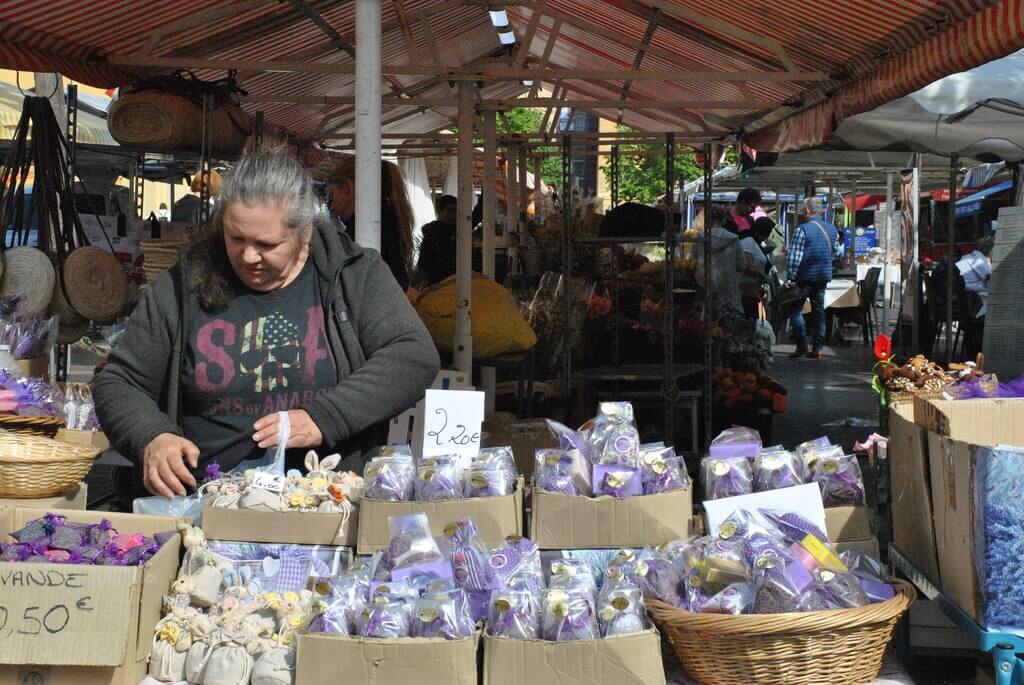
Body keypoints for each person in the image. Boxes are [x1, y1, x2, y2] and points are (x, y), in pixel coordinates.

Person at [93, 151, 440, 499]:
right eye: (236, 238)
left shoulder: (353, 274)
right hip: (206, 503)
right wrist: (152, 435)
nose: (247, 256)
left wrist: (325, 418)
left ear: (304, 233)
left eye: (266, 244)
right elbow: (120, 381)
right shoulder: (185, 284)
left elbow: (413, 354)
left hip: (327, 503)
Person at [326, 155, 415, 291]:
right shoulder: (391, 220)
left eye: (332, 196)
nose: (331, 207)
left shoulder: (362, 229)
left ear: (347, 187)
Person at [786, 197, 840, 359]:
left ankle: (802, 344)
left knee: (795, 310)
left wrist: (790, 278)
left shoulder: (802, 229)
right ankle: (817, 348)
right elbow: (835, 253)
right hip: (823, 276)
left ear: (808, 211)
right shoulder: (832, 229)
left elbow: (795, 257)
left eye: (803, 210)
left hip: (805, 276)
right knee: (819, 312)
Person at [413, 194, 458, 288]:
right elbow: (447, 263)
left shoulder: (449, 231)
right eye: (450, 211)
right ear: (439, 211)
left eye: (457, 212)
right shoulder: (435, 233)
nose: (454, 215)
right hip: (435, 287)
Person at [739, 216, 775, 319]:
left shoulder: (754, 243)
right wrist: (763, 276)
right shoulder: (749, 241)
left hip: (753, 290)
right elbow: (746, 264)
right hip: (746, 290)